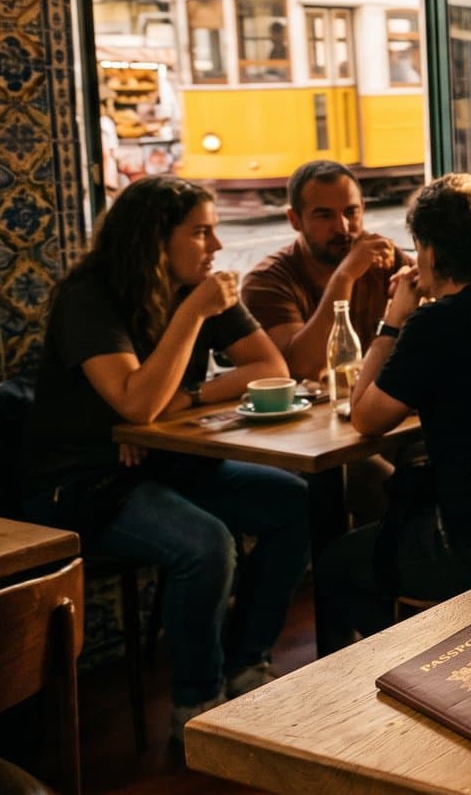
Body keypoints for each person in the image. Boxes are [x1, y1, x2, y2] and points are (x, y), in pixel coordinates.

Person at [20, 176, 306, 740]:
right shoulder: (92, 296)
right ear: (155, 239)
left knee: (292, 501)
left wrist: (189, 399)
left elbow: (272, 368)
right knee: (204, 544)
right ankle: (196, 709)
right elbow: (137, 400)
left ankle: (246, 663)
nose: (216, 248)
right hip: (84, 482)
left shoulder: (196, 285)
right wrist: (192, 317)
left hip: (163, 463)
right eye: (201, 233)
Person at [314, 174, 471, 653]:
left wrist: (393, 318)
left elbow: (364, 416)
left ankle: (416, 660)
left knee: (338, 563)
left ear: (431, 251)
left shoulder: (435, 324)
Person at [241, 160, 401, 380]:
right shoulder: (267, 281)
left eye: (351, 212)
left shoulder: (387, 259)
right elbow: (302, 368)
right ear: (294, 220)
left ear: (363, 209)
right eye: (324, 216)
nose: (342, 227)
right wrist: (344, 278)